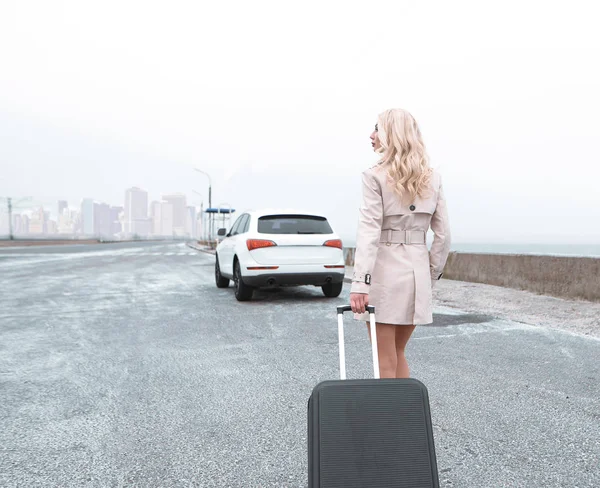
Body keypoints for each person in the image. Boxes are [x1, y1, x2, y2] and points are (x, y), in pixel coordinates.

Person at [349, 108, 451, 379]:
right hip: (417, 274)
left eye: (377, 129)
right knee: (398, 351)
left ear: (391, 134)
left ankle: (388, 420)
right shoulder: (433, 177)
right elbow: (443, 236)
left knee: (384, 359)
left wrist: (360, 283)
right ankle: (406, 419)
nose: (371, 135)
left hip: (385, 273)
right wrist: (430, 275)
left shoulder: (374, 176)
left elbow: (369, 231)